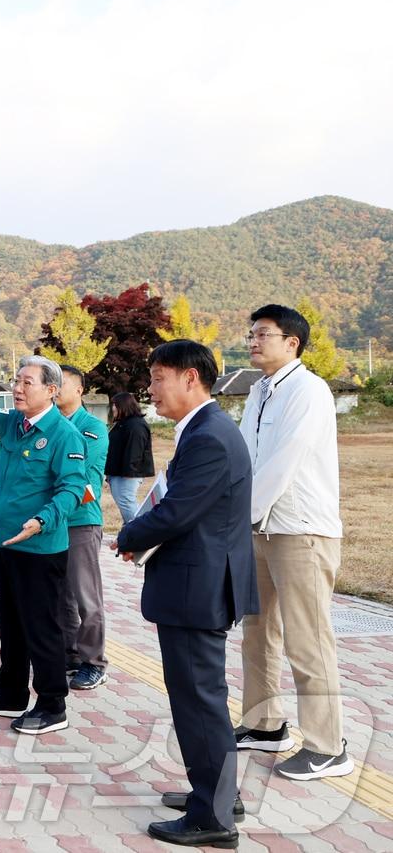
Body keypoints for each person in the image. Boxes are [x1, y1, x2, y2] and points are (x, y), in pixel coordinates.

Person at [114, 339, 257, 850]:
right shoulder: (202, 429)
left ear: (190, 378)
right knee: (199, 698)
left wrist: (128, 537)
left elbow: (177, 513)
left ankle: (214, 819)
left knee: (200, 701)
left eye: (157, 378)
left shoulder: (210, 437)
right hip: (195, 581)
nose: (150, 389)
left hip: (198, 587)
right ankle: (216, 795)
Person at [0, 350, 86, 735]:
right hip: (8, 546)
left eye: (27, 382)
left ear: (51, 390)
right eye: (16, 380)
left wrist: (42, 521)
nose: (17, 388)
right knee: (11, 625)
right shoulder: (11, 425)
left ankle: (53, 705)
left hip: (41, 550)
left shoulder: (63, 435)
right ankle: (9, 694)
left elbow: (73, 488)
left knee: (43, 629)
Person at [236, 304, 351, 780]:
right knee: (257, 631)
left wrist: (239, 515)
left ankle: (328, 747)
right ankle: (264, 725)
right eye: (251, 334)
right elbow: (244, 456)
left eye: (264, 334)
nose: (253, 341)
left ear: (292, 343)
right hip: (261, 528)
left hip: (302, 531)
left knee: (308, 640)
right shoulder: (258, 391)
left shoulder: (309, 390)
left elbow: (284, 462)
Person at [56, 365, 110, 691]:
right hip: (52, 523)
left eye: (62, 382)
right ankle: (69, 653)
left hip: (81, 521)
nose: (56, 387)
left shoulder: (92, 428)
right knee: (60, 595)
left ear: (80, 389)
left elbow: (79, 479)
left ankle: (94, 662)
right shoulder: (47, 424)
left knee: (85, 596)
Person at [104, 392, 154, 524]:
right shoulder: (124, 423)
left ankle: (139, 530)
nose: (113, 408)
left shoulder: (135, 425)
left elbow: (135, 450)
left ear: (123, 406)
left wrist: (129, 472)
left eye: (115, 405)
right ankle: (130, 529)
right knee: (123, 501)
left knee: (126, 501)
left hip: (127, 474)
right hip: (119, 472)